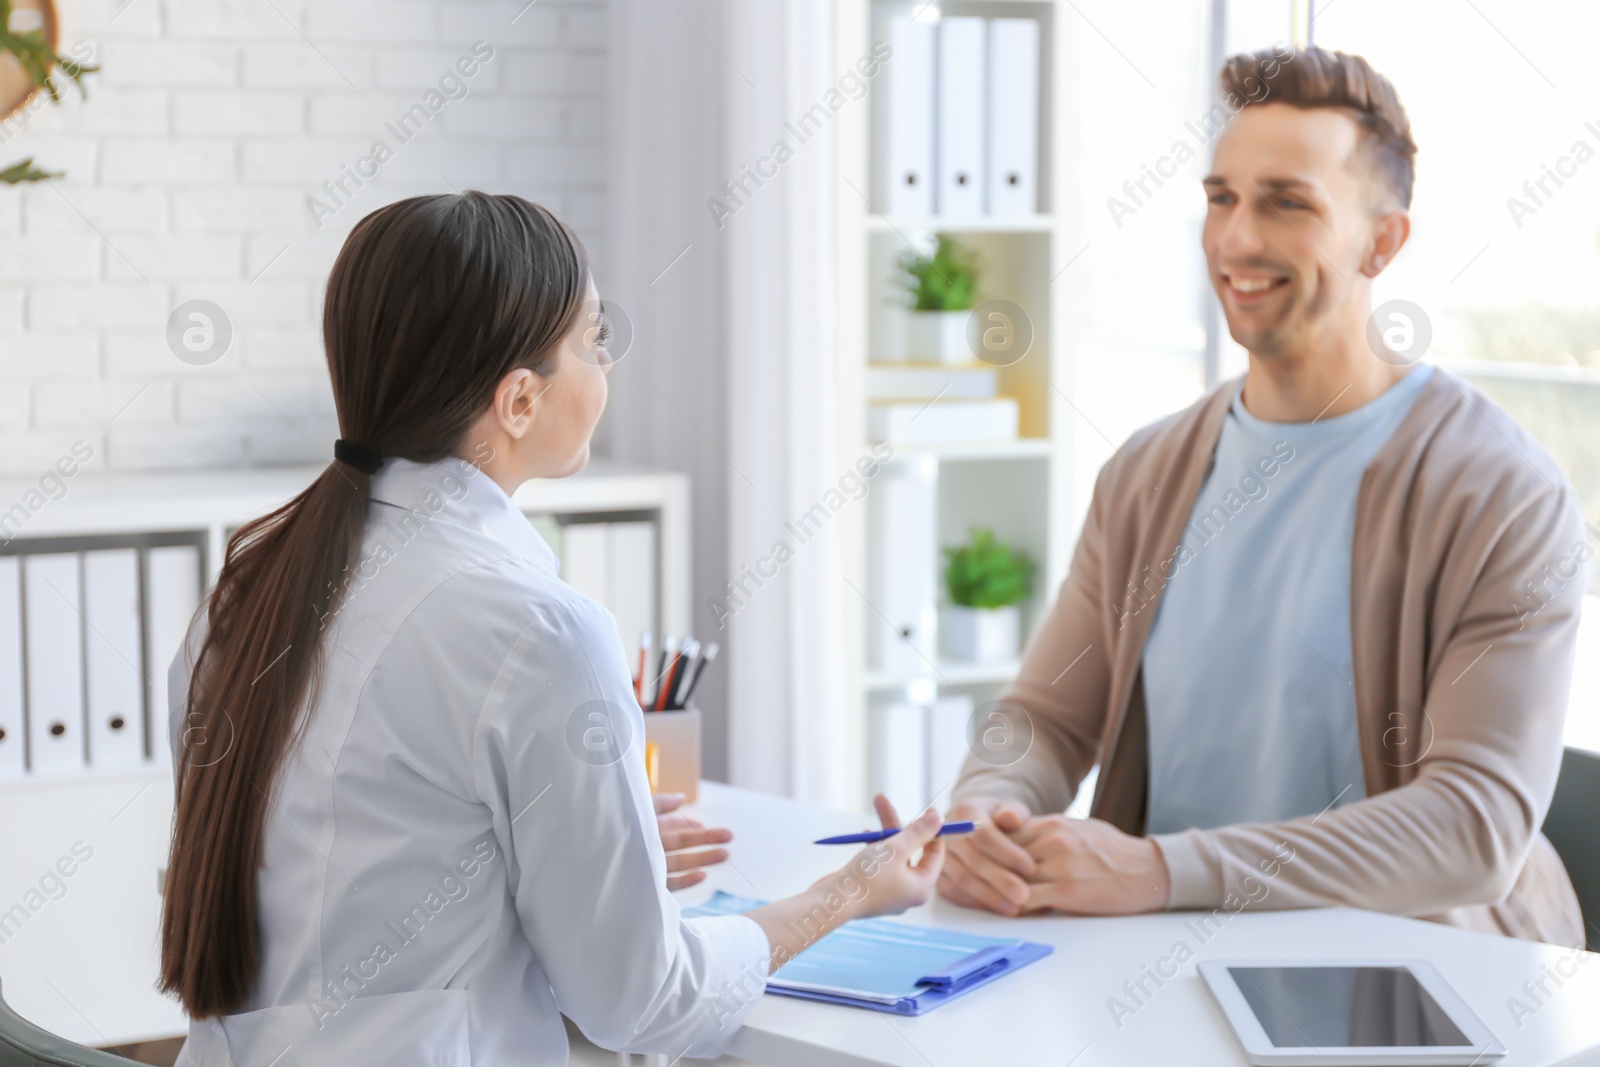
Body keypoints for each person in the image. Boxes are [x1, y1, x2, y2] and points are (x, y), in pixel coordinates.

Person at [159, 192, 945, 1065]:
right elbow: (645, 1003)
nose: (606, 366)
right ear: (520, 400)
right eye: (594, 341)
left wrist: (574, 834)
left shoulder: (243, 594)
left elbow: (356, 856)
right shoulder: (537, 629)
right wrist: (849, 890)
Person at [941, 47, 1586, 947]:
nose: (1237, 239)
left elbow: (1472, 824)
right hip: (1156, 966)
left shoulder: (1503, 494)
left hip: (1412, 983)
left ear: (1383, 241)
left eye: (1287, 202)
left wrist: (1164, 869)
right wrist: (987, 815)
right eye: (1221, 198)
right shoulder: (1146, 472)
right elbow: (1044, 719)